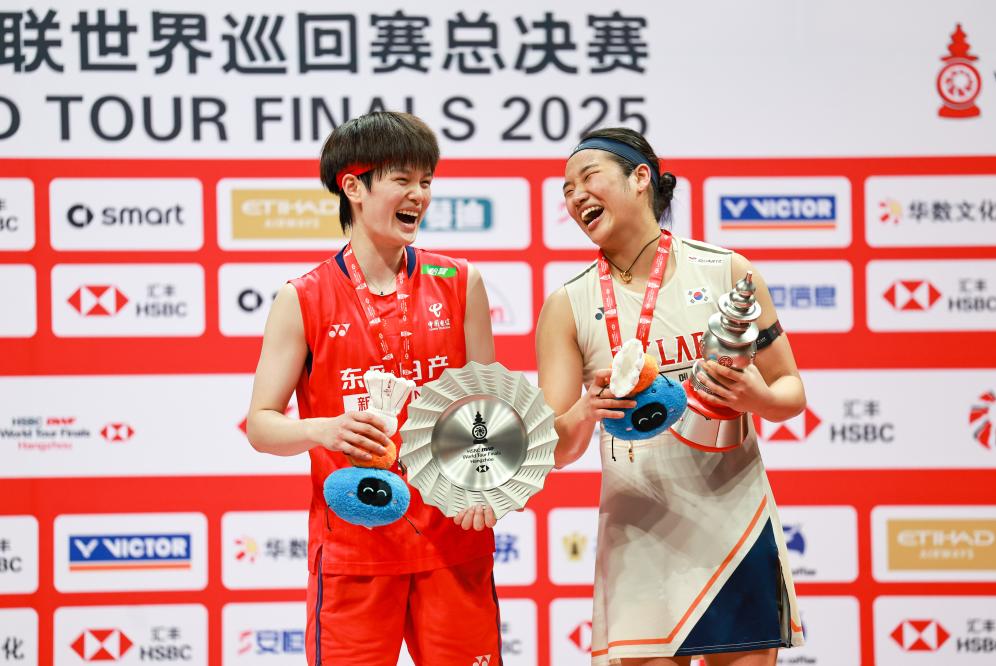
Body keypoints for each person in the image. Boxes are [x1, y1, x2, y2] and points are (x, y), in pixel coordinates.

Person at [536, 127, 806, 666]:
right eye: (566, 190)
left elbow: (791, 391)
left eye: (588, 178)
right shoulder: (567, 304)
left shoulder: (727, 270)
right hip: (639, 529)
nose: (575, 196)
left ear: (641, 179)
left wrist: (757, 397)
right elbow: (555, 449)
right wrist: (587, 410)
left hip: (735, 521)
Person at [246, 111, 501, 666]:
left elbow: (488, 407)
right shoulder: (302, 297)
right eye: (402, 180)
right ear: (353, 187)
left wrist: (488, 482)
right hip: (354, 550)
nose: (419, 196)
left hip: (453, 542)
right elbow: (261, 425)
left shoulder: (460, 281)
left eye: (426, 181)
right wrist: (325, 429)